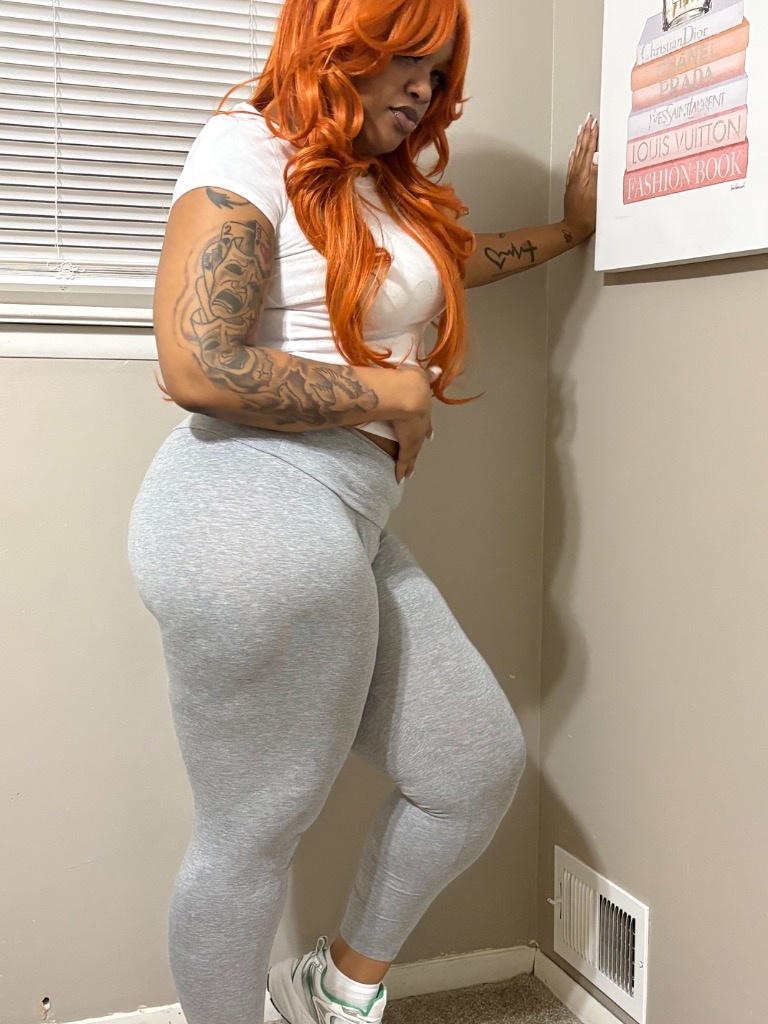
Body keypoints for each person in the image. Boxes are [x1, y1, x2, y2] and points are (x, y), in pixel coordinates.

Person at [128, 2, 598, 1024]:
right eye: (405, 60)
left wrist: (571, 231)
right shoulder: (248, 146)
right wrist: (390, 392)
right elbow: (197, 361)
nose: (424, 88)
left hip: (341, 518)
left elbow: (439, 265)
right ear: (338, 41)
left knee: (471, 765)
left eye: (438, 70)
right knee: (250, 835)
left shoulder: (372, 183)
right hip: (246, 512)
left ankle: (335, 992)